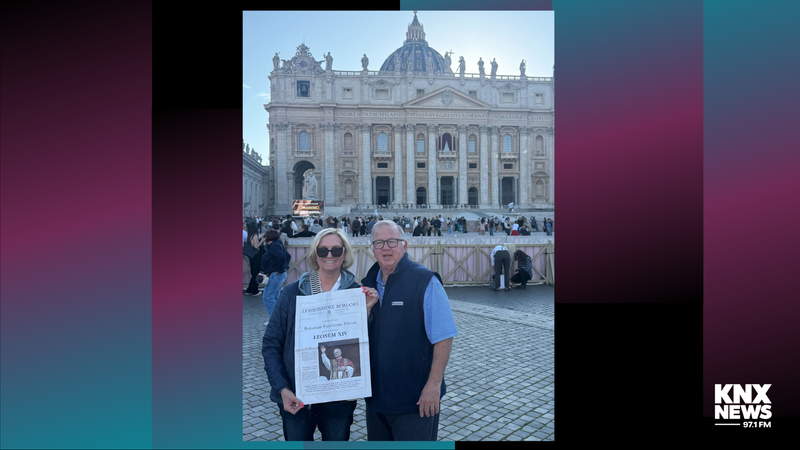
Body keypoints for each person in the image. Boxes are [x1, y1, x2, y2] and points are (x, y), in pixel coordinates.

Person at [262, 228, 379, 441]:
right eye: (323, 250)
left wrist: (367, 313)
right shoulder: (292, 293)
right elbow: (271, 344)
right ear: (315, 255)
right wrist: (282, 388)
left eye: (336, 250)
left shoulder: (356, 294)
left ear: (345, 254)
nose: (329, 255)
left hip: (339, 398)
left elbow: (367, 346)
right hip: (296, 394)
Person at [360, 221, 458, 441]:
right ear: (372, 248)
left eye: (392, 242)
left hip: (416, 400)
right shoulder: (367, 284)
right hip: (377, 400)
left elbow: (443, 337)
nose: (386, 248)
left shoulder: (425, 281)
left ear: (404, 245)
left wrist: (433, 386)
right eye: (379, 243)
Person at [261, 230, 291, 319]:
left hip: (276, 275)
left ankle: (275, 319)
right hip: (278, 274)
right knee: (274, 297)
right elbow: (287, 256)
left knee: (267, 297)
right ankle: (278, 318)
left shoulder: (274, 247)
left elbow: (282, 257)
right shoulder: (277, 244)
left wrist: (279, 269)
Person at [245, 222, 268, 295]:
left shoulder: (249, 236)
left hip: (252, 257)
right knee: (256, 273)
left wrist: (260, 239)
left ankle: (249, 289)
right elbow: (256, 246)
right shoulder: (254, 236)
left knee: (254, 273)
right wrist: (262, 241)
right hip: (256, 257)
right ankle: (254, 290)